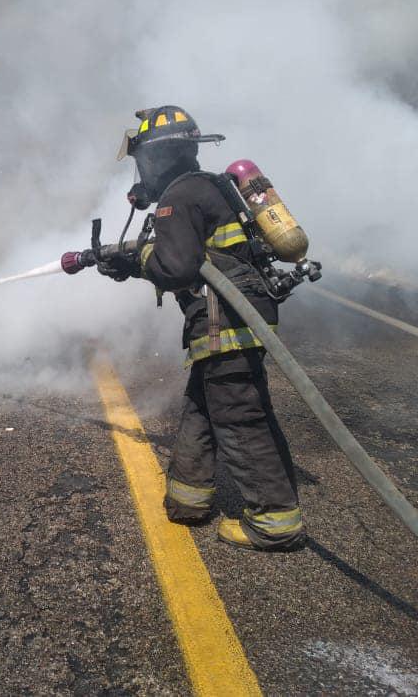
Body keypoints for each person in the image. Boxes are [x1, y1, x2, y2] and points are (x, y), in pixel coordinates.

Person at [99, 105, 305, 551]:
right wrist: (130, 262)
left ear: (157, 158)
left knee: (240, 420)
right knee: (202, 407)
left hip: (222, 323)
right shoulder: (209, 187)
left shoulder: (179, 195)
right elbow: (193, 256)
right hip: (230, 321)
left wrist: (134, 260)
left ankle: (274, 523)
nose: (142, 171)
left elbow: (175, 266)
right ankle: (188, 500)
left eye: (144, 161)